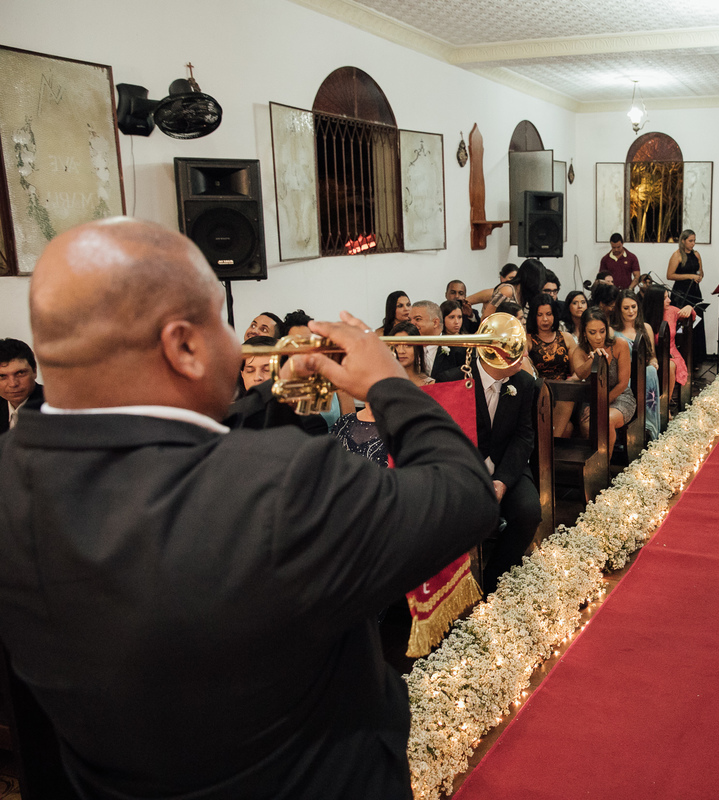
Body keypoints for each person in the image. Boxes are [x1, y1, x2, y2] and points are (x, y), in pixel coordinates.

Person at [0, 217, 497, 799]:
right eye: (222, 320)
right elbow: (464, 494)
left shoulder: (12, 476)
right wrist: (390, 384)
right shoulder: (281, 487)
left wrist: (273, 395)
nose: (239, 345)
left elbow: (163, 444)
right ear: (184, 346)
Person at [470, 355, 541, 595]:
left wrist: (502, 480)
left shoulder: (524, 383)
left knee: (528, 512)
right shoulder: (456, 379)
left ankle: (492, 582)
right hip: (468, 468)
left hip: (508, 464)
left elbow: (524, 436)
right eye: (514, 351)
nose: (523, 357)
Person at [572, 308, 635, 450]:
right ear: (584, 333)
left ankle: (606, 463)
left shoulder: (619, 345)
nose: (599, 337)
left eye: (602, 331)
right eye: (592, 332)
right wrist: (593, 359)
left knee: (606, 421)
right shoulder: (579, 351)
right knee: (587, 427)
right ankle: (596, 461)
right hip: (592, 399)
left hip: (619, 396)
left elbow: (623, 384)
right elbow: (581, 374)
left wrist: (600, 405)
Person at [527, 293, 578, 436]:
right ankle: (548, 444)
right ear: (534, 316)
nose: (545, 319)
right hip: (539, 393)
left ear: (555, 315)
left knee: (567, 397)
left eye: (549, 314)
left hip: (563, 393)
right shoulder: (527, 340)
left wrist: (570, 382)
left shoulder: (566, 338)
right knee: (567, 428)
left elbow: (577, 371)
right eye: (540, 315)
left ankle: (546, 444)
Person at [612, 289, 661, 440]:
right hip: (625, 379)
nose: (631, 311)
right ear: (619, 309)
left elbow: (652, 356)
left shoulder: (646, 328)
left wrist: (653, 363)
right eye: (626, 308)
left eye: (633, 306)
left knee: (650, 371)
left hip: (644, 375)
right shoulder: (613, 331)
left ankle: (649, 428)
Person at [643, 284, 694, 392]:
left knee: (670, 366)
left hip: (670, 352)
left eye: (668, 296)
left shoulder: (672, 311)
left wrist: (689, 307)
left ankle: (666, 399)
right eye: (665, 298)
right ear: (656, 301)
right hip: (649, 353)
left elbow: (691, 316)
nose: (669, 300)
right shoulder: (644, 315)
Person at [667, 229, 706, 368]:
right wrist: (690, 276)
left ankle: (696, 359)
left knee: (697, 324)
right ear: (683, 241)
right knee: (683, 326)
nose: (693, 243)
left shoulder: (696, 254)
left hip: (694, 292)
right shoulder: (677, 255)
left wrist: (699, 276)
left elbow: (700, 272)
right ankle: (681, 358)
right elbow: (670, 275)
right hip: (681, 293)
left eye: (694, 240)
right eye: (690, 241)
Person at [0, 338, 44, 433]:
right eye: (2, 376)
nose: (13, 384)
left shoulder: (55, 405)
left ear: (34, 371)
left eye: (20, 373)